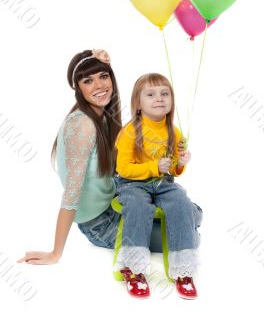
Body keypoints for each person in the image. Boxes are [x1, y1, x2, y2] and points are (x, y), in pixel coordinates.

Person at [17, 49, 163, 266]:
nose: (100, 86)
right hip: (100, 223)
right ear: (78, 89)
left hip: (115, 196)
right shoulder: (82, 125)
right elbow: (71, 194)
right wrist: (55, 253)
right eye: (88, 81)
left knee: (186, 214)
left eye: (104, 76)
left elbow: (121, 164)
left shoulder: (103, 116)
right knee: (186, 234)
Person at [113, 73, 203, 299]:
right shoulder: (130, 131)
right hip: (132, 184)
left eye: (165, 93)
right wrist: (154, 167)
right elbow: (123, 168)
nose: (159, 98)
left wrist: (180, 165)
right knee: (138, 206)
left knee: (181, 201)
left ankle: (183, 269)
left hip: (163, 183)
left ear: (171, 100)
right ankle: (133, 269)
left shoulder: (174, 132)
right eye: (150, 94)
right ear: (138, 104)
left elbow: (172, 170)